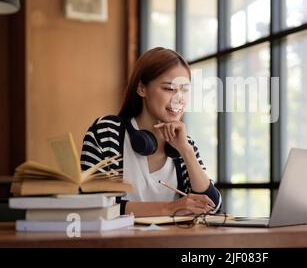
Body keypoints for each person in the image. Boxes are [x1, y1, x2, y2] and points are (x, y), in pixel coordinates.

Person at [80, 47, 221, 217]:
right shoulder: (107, 132)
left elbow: (212, 207)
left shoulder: (185, 144)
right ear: (141, 88)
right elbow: (93, 204)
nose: (179, 99)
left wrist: (186, 151)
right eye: (169, 89)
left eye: (184, 90)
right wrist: (169, 208)